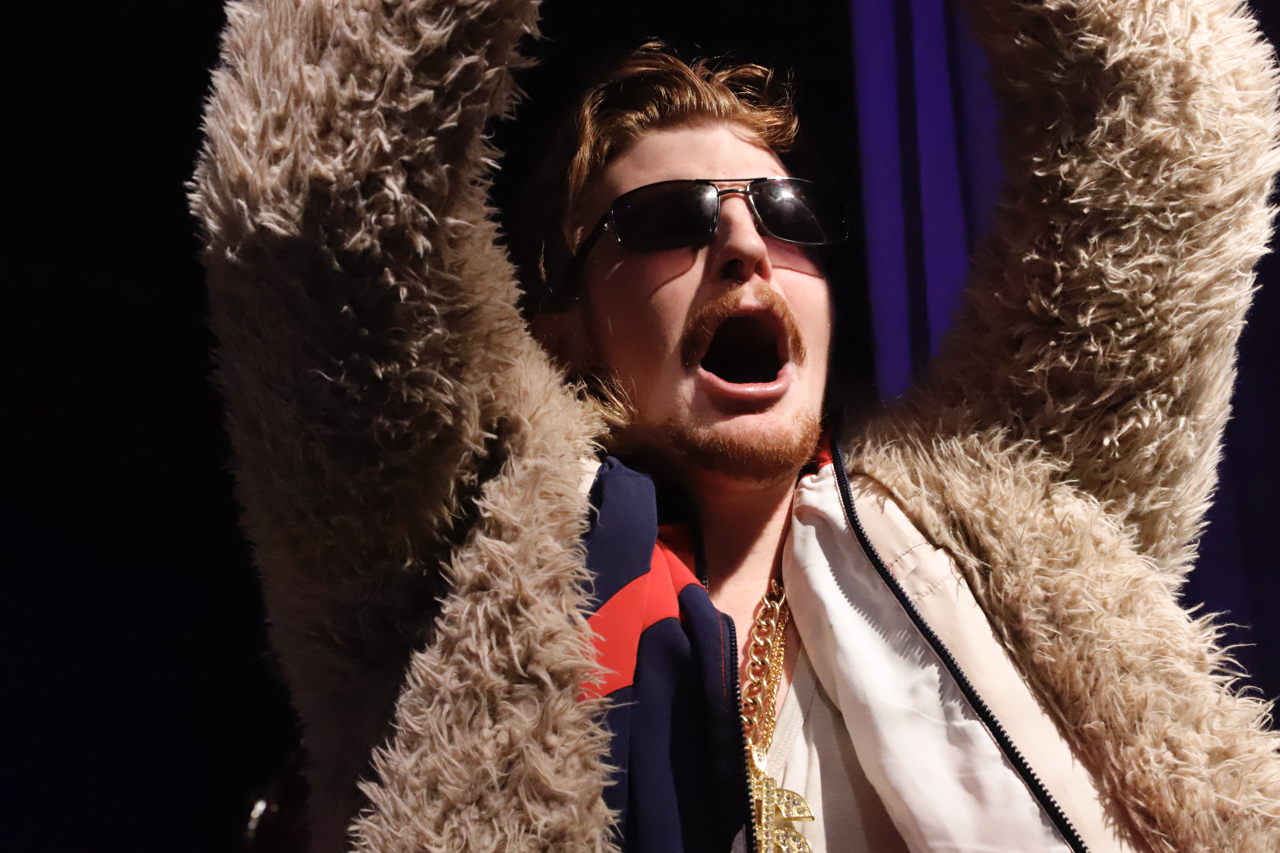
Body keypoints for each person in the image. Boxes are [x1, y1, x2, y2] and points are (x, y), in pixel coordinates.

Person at [190, 0, 1280, 851]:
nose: (746, 246)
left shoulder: (1003, 527)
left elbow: (1164, 133)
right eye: (668, 219)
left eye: (786, 212)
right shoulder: (448, 559)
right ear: (566, 332)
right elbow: (320, 197)